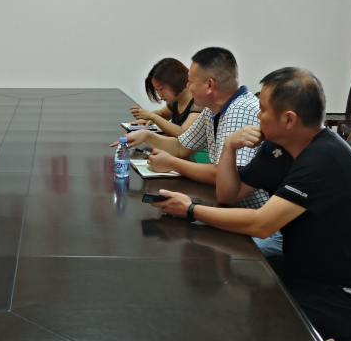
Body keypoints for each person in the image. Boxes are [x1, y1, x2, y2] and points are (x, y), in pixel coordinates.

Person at [152, 67, 351, 340]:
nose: (257, 116)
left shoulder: (323, 159)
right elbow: (229, 195)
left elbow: (262, 224)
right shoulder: (278, 148)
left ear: (289, 119)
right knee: (219, 297)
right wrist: (229, 148)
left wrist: (191, 209)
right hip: (310, 271)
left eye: (262, 109)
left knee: (239, 322)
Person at [114, 48, 280, 255]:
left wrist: (172, 163)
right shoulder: (212, 109)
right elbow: (181, 147)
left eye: (191, 82)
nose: (188, 87)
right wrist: (147, 136)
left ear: (209, 85)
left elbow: (226, 178)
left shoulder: (241, 111)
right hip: (226, 210)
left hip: (251, 219)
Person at [129, 58, 202, 137]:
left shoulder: (199, 103)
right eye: (157, 90)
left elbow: (182, 133)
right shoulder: (177, 101)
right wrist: (146, 118)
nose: (160, 94)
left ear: (175, 81)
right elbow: (161, 114)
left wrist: (152, 116)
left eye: (161, 89)